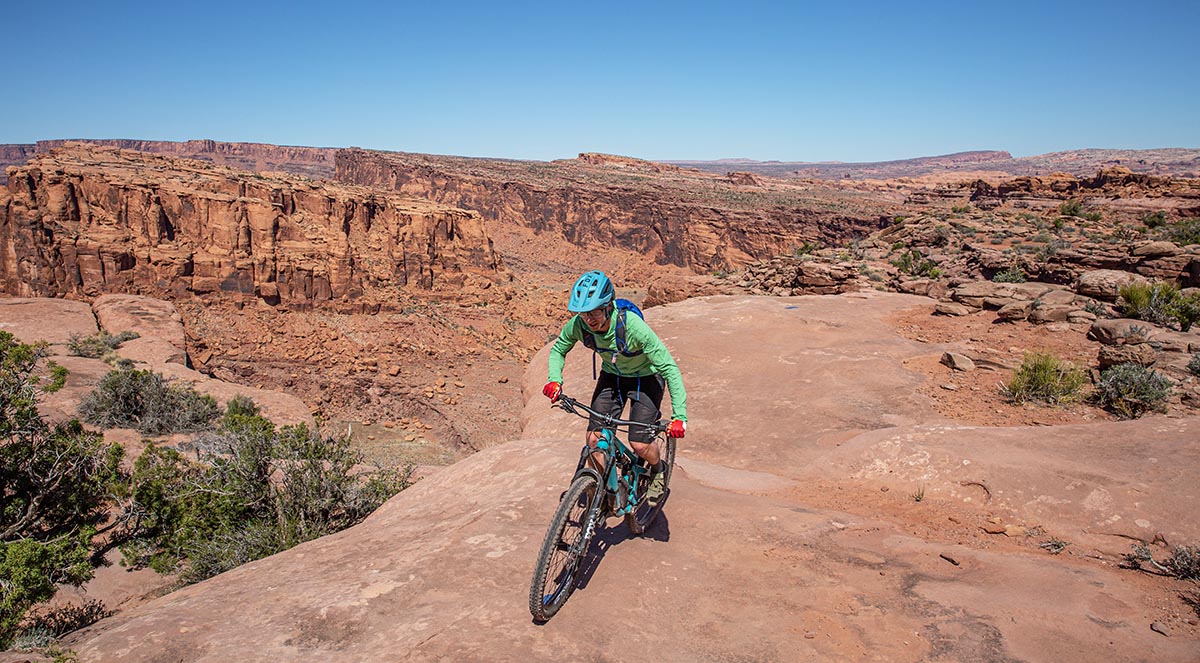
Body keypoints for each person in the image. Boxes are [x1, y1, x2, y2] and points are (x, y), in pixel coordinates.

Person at [543, 270, 687, 503]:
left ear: (608, 306)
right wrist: (554, 380)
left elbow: (670, 368)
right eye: (582, 314)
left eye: (594, 312)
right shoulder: (579, 326)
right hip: (613, 377)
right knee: (593, 440)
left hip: (646, 379)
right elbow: (559, 349)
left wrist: (680, 416)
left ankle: (658, 469)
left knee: (639, 444)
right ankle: (603, 490)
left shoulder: (633, 327)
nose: (588, 319)